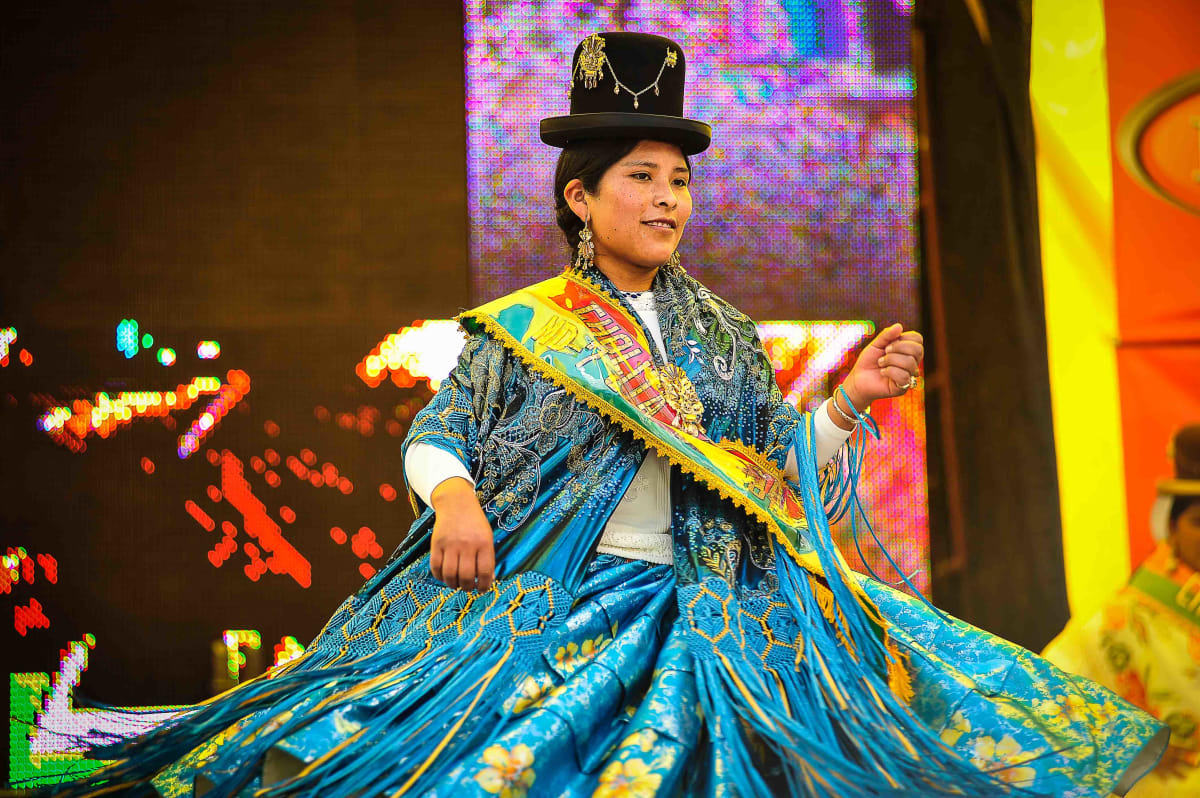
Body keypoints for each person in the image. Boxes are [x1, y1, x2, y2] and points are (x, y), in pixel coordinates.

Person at [49, 32, 1165, 798]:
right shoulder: (524, 331)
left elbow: (773, 471)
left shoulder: (725, 333)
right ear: (580, 197)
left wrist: (846, 408)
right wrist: (453, 498)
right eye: (641, 174)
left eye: (680, 177)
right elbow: (438, 431)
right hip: (559, 600)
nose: (669, 197)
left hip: (720, 609)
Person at [1043, 424, 1200, 796]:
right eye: (1198, 521)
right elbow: (1049, 692)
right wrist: (1124, 746)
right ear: (1171, 528)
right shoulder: (1126, 618)